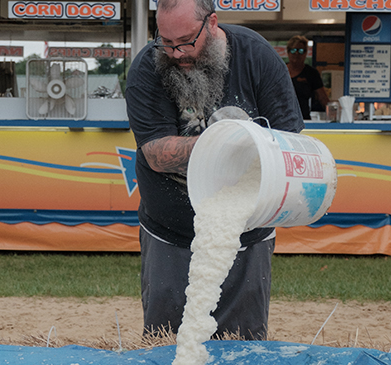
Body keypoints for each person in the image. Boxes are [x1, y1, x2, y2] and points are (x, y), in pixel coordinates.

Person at [125, 0, 304, 340]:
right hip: (171, 232)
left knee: (243, 345)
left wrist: (250, 149)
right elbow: (157, 155)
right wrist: (230, 145)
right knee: (168, 344)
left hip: (247, 231)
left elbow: (288, 138)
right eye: (166, 42)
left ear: (212, 23)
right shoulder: (147, 68)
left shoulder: (255, 55)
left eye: (186, 41)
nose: (177, 53)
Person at [286, 35, 329, 120]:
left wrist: (333, 114)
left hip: (303, 119)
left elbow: (322, 97)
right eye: (293, 50)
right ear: (288, 52)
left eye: (301, 51)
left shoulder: (311, 73)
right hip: (281, 119)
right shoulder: (280, 71)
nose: (297, 53)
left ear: (306, 53)